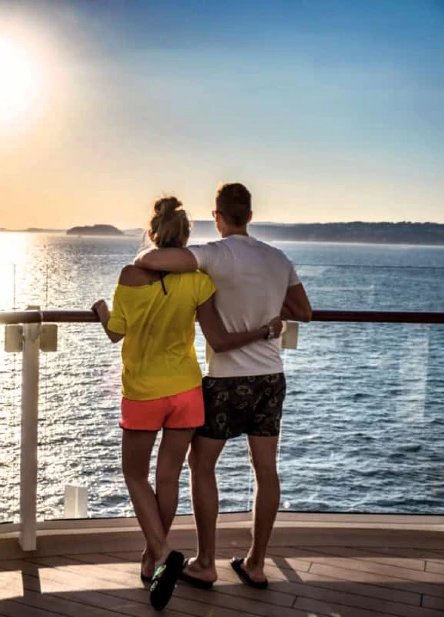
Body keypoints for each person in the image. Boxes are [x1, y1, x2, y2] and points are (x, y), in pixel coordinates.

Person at [92, 196, 284, 610]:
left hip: (144, 391)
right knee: (168, 477)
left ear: (152, 233)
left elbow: (116, 332)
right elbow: (218, 326)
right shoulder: (198, 281)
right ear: (185, 239)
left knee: (133, 474)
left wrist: (102, 309)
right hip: (187, 390)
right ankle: (151, 558)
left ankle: (161, 552)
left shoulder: (130, 274)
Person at [132, 183, 312, 591]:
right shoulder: (277, 258)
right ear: (250, 215)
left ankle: (207, 562)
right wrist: (267, 305)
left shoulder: (214, 254)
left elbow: (150, 257)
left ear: (217, 216)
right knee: (266, 470)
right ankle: (257, 563)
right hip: (270, 377)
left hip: (226, 381)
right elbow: (304, 311)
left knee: (201, 467)